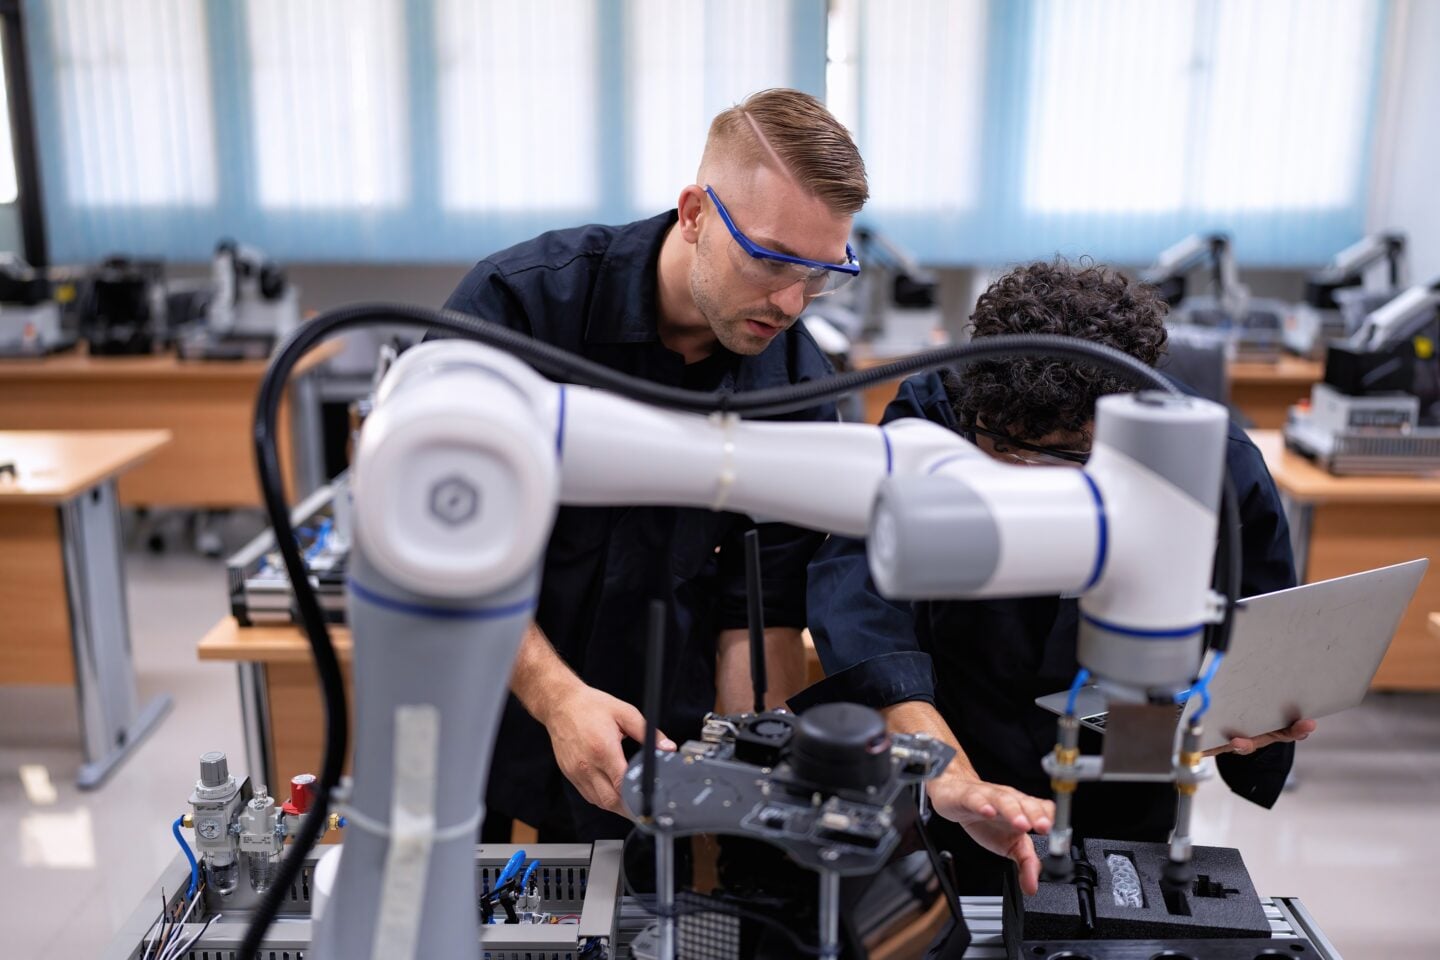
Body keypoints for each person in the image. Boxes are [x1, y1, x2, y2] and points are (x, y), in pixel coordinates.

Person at [799, 259, 1316, 896]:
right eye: (1005, 448)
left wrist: (1250, 707)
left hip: (1126, 764)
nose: (1027, 478)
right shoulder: (939, 415)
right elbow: (857, 586)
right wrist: (945, 769)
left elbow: (1264, 623)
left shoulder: (1202, 457)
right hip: (959, 739)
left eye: (1064, 456)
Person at [441, 88, 869, 843]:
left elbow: (757, 616)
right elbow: (446, 536)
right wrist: (555, 696)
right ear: (696, 213)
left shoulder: (801, 390)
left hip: (645, 731)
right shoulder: (523, 305)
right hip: (486, 683)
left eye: (823, 273)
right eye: (772, 259)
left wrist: (749, 772)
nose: (794, 301)